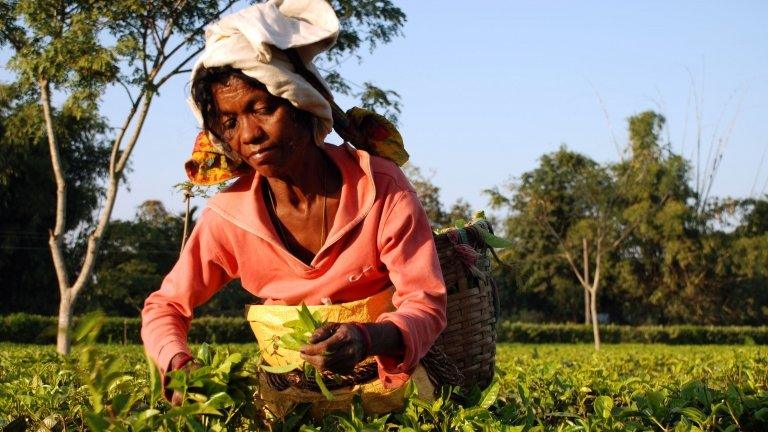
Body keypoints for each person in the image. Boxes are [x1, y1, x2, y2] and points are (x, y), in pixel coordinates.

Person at [140, 0, 447, 411]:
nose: (249, 135)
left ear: (301, 104)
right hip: (286, 406)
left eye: (263, 109)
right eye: (229, 122)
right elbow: (166, 305)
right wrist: (177, 362)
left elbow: (426, 303)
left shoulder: (380, 187)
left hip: (391, 397)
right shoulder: (229, 217)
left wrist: (367, 338)